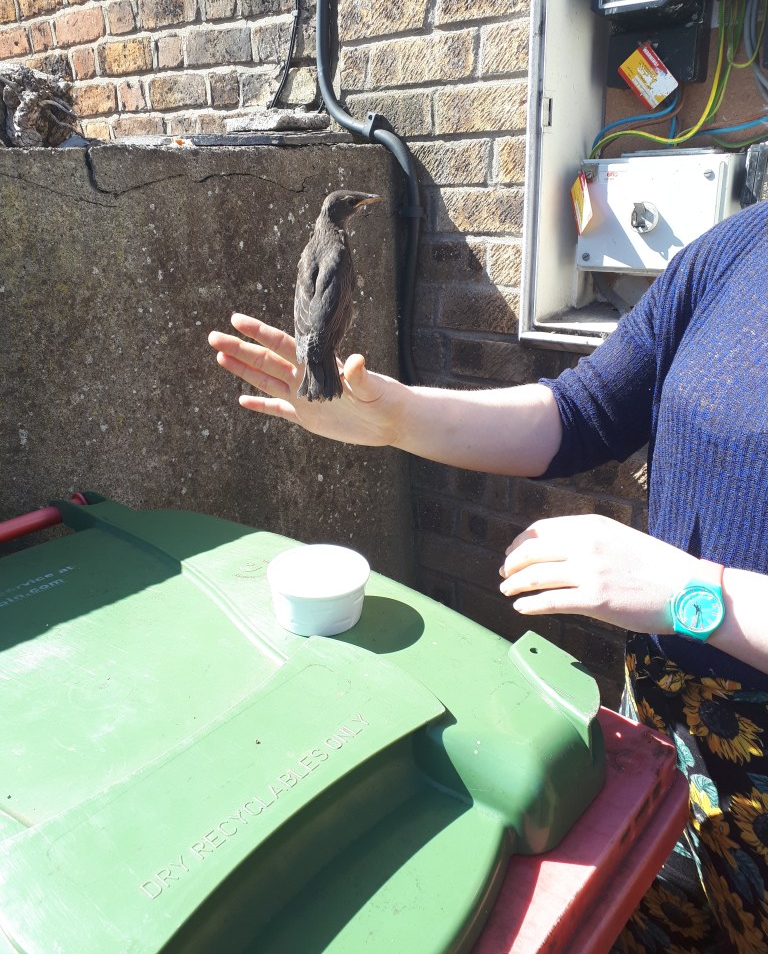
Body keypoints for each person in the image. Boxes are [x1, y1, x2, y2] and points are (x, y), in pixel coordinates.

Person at [209, 200, 768, 954]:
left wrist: (695, 594)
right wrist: (398, 419)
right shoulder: (736, 249)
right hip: (664, 728)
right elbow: (583, 411)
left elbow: (690, 587)